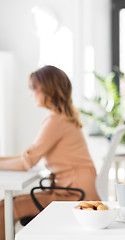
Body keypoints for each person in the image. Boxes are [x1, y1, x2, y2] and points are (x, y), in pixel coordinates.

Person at [0, 65, 99, 239]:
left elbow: (26, 162)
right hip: (74, 190)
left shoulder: (55, 120)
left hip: (74, 195)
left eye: (33, 88)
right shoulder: (62, 117)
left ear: (47, 89)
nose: (31, 93)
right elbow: (27, 157)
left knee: (5, 209)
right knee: (5, 205)